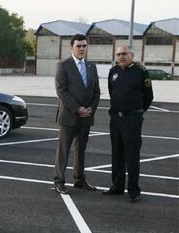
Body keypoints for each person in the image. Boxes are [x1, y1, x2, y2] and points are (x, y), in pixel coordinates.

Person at [103, 46, 153, 202]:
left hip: (132, 119)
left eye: (124, 54)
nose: (121, 56)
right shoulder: (113, 71)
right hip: (116, 119)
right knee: (117, 154)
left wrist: (137, 112)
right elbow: (112, 92)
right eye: (118, 54)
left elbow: (149, 96)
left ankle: (133, 190)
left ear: (131, 55)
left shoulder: (141, 72)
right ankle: (117, 186)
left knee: (132, 155)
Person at [53, 34, 100, 194]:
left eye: (84, 46)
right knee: (63, 150)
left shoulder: (92, 67)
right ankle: (59, 180)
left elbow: (96, 92)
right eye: (78, 46)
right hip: (69, 116)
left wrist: (91, 108)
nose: (82, 49)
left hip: (86, 117)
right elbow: (61, 91)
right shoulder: (63, 66)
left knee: (81, 150)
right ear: (72, 47)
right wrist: (77, 108)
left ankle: (79, 179)